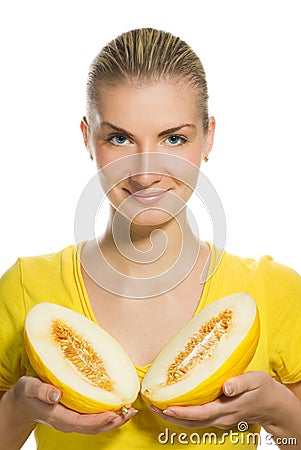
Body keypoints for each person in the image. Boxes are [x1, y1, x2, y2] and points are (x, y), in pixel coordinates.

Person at [0, 28, 301, 450]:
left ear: (208, 136)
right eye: (119, 138)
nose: (144, 174)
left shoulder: (274, 291)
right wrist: (18, 409)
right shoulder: (25, 287)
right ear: (88, 137)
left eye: (173, 138)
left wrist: (279, 412)